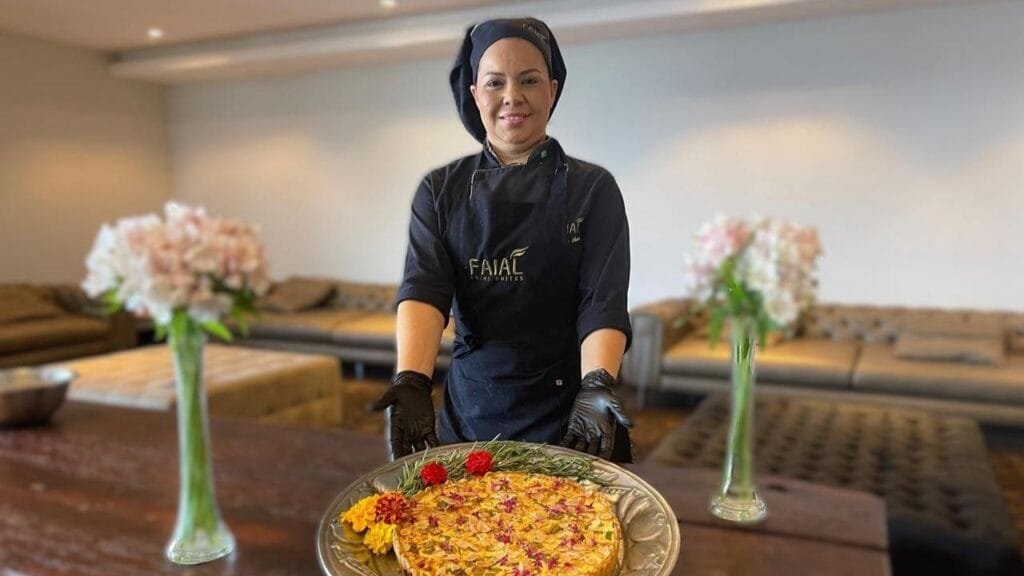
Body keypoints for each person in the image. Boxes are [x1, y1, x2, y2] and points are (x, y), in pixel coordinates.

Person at [372, 17, 634, 463]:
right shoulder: (439, 190)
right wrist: (412, 380)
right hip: (472, 412)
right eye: (495, 82)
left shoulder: (593, 189)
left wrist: (596, 386)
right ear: (475, 94)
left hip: (569, 415)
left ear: (552, 89)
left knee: (575, 530)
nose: (512, 96)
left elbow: (601, 303)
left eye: (529, 80)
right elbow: (425, 288)